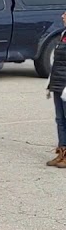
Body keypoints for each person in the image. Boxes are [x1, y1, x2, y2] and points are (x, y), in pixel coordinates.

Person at [46, 19, 66, 167]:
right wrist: (50, 83)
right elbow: (57, 62)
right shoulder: (63, 34)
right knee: (60, 119)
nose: (63, 16)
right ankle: (62, 151)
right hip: (58, 82)